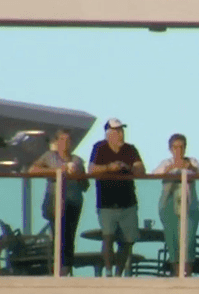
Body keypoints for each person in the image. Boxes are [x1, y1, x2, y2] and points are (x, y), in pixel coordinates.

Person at [88, 118, 145, 276]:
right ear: (109, 134)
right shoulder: (99, 148)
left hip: (128, 202)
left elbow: (141, 170)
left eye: (121, 131)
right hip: (106, 203)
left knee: (127, 241)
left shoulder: (130, 149)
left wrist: (128, 167)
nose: (121, 134)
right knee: (108, 237)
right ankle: (108, 271)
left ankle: (119, 273)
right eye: (117, 131)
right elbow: (91, 170)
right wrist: (109, 167)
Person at [29, 129, 89, 276]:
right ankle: (56, 267)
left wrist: (77, 175)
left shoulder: (77, 161)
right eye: (62, 140)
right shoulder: (49, 156)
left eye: (68, 140)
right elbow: (32, 170)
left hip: (74, 202)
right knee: (58, 233)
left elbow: (85, 186)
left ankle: (66, 268)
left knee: (70, 235)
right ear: (57, 142)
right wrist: (57, 171)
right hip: (55, 200)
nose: (65, 144)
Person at [153, 133, 199, 276]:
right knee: (172, 240)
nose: (178, 150)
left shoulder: (191, 162)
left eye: (181, 147)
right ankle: (176, 274)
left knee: (188, 241)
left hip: (189, 206)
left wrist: (190, 168)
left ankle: (186, 275)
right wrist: (171, 168)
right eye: (175, 147)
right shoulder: (166, 163)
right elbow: (154, 174)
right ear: (170, 149)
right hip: (169, 206)